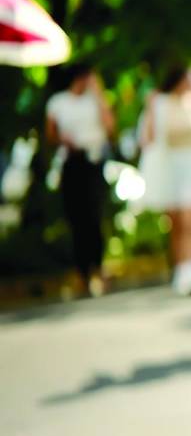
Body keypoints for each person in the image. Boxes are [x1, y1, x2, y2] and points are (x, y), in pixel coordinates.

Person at [139, 65, 191, 296]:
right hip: (170, 168)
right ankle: (182, 271)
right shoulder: (160, 103)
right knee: (177, 224)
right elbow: (150, 138)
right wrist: (150, 108)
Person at [45, 65, 114, 296]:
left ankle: (98, 267)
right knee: (77, 218)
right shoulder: (58, 101)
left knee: (95, 215)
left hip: (93, 160)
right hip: (71, 161)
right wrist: (62, 138)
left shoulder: (94, 101)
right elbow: (50, 133)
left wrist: (99, 94)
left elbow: (110, 126)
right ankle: (82, 272)